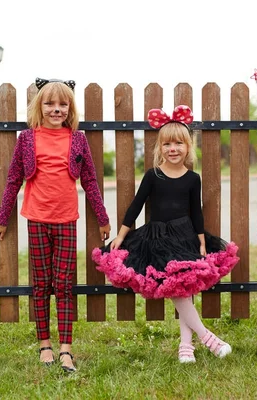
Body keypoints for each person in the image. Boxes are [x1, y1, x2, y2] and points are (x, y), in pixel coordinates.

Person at [92, 105, 240, 363]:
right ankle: (207, 338)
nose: (173, 149)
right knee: (178, 289)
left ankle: (186, 347)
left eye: (179, 144)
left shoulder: (193, 179)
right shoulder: (153, 176)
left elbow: (197, 213)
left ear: (188, 147)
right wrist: (121, 235)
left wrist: (202, 242)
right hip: (158, 238)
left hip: (185, 235)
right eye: (167, 144)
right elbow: (136, 206)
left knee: (186, 286)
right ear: (159, 148)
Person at [0, 78, 111, 373]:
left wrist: (103, 217)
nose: (56, 109)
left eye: (62, 104)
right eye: (49, 104)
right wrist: (1, 218)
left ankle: (66, 349)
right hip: (37, 218)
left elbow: (91, 181)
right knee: (42, 284)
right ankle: (44, 343)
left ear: (69, 108)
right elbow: (13, 180)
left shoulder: (78, 140)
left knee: (64, 285)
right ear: (39, 106)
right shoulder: (27, 139)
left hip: (66, 219)